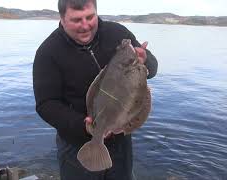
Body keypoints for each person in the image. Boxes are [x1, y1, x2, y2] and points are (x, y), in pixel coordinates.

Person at [33, 0, 158, 179]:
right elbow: (46, 104)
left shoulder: (117, 33)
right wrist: (84, 125)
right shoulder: (48, 52)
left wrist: (146, 60)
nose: (85, 25)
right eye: (76, 20)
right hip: (76, 143)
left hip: (120, 141)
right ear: (62, 18)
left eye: (90, 17)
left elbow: (151, 70)